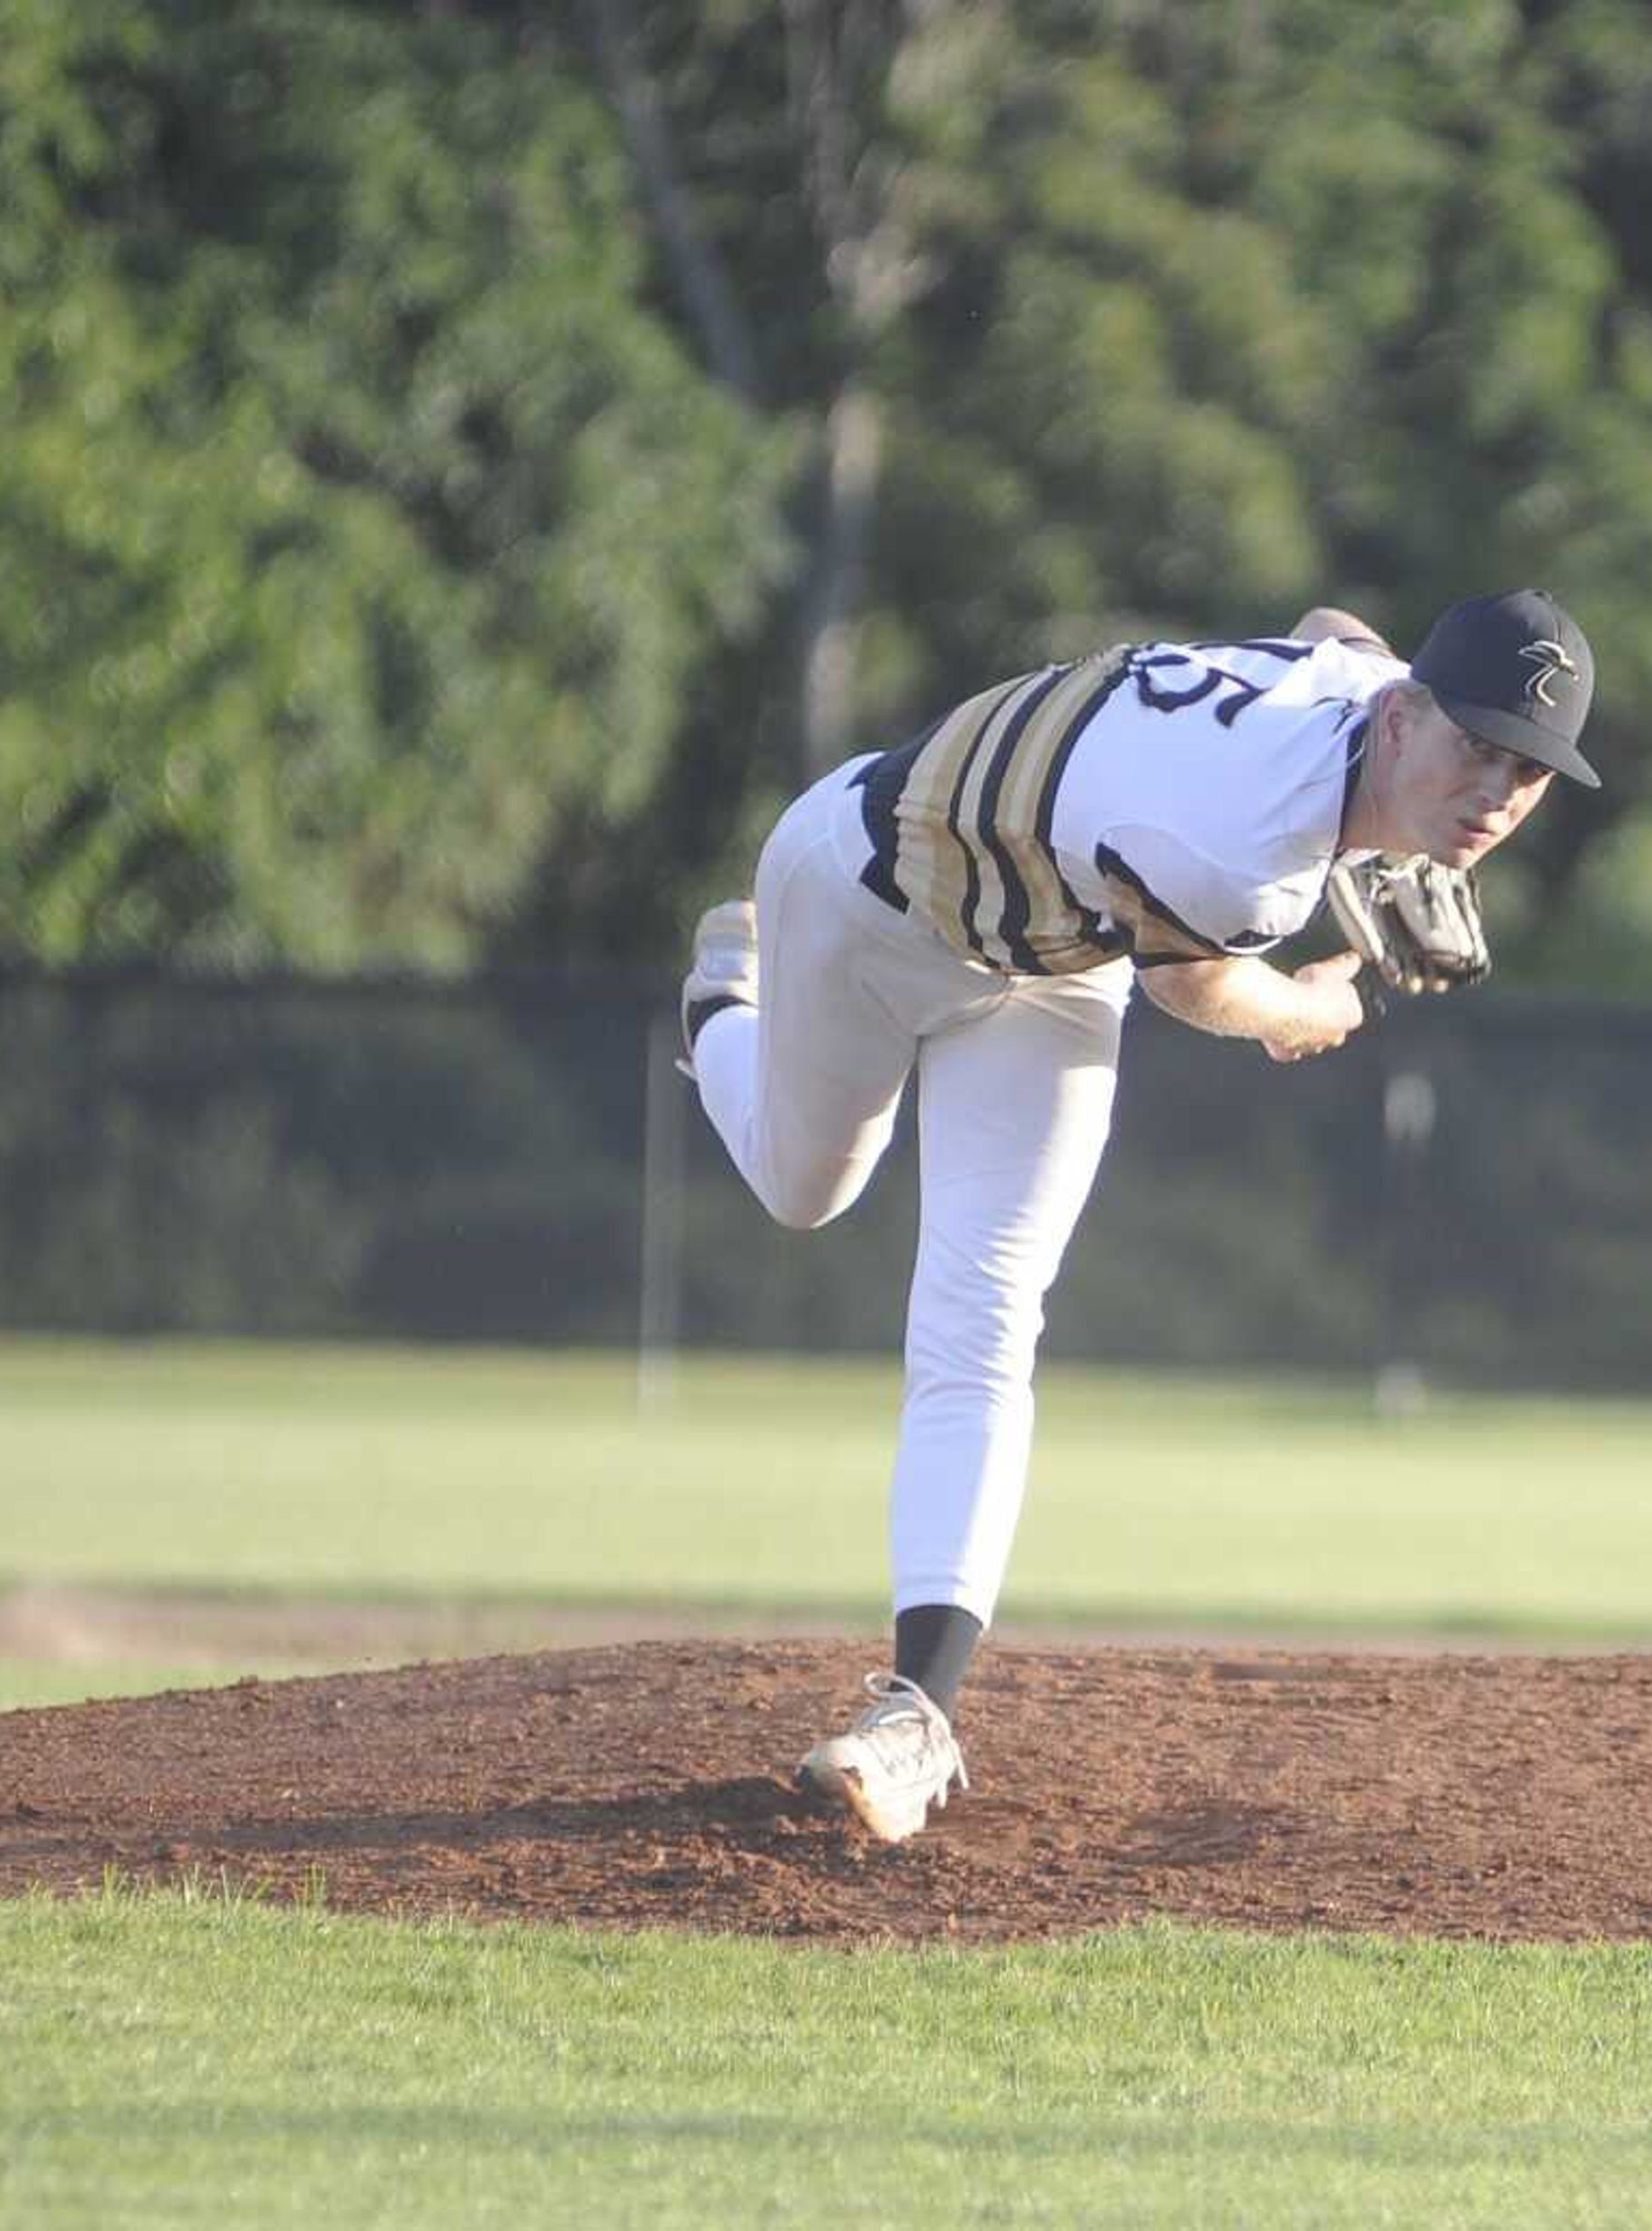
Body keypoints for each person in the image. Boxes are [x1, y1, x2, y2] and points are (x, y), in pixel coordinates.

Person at [680, 590, 1601, 1841]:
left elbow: (1333, 624)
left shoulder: (1357, 692)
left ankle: (914, 1715)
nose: (1497, 790)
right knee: (806, 1189)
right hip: (863, 894)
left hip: (1055, 959)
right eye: (1475, 744)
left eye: (1529, 767)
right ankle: (724, 1009)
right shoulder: (1243, 853)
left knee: (985, 1316)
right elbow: (1200, 986)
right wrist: (1308, 1013)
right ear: (1402, 719)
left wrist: (1383, 844)